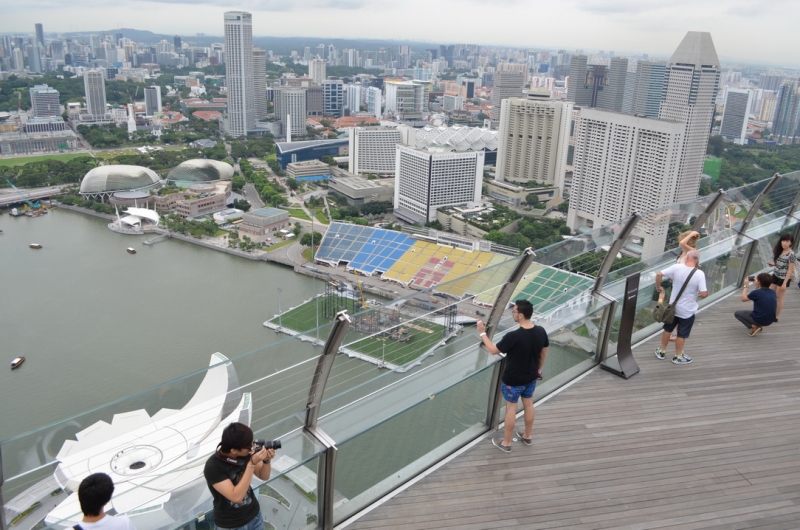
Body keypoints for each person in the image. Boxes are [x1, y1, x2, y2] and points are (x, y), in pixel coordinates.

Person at [476, 300, 549, 453]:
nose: (513, 314)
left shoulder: (513, 336)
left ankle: (507, 442)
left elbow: (493, 350)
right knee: (528, 404)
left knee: (511, 409)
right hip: (531, 377)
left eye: (514, 312)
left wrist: (482, 332)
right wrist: (538, 370)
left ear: (521, 315)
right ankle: (527, 435)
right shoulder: (541, 331)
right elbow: (543, 356)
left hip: (513, 379)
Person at [204, 423, 276, 530]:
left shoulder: (244, 455)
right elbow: (236, 497)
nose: (251, 448)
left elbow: (263, 475)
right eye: (248, 446)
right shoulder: (213, 467)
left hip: (254, 517)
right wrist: (251, 463)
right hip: (230, 525)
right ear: (233, 450)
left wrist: (266, 461)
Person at [654, 250, 708, 365]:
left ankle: (661, 351)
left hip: (672, 308)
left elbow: (659, 274)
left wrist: (658, 286)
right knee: (681, 334)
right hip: (687, 310)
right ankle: (678, 356)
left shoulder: (676, 267)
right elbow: (704, 294)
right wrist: (698, 292)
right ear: (697, 260)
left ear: (687, 257)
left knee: (668, 329)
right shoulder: (699, 274)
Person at [669, 230, 701, 342]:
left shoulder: (693, 252)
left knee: (679, 309)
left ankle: (678, 334)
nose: (680, 241)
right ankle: (677, 333)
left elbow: (682, 243)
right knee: (677, 309)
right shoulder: (683, 252)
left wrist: (691, 235)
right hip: (678, 284)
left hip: (686, 286)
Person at [767, 233, 796, 322]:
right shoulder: (780, 250)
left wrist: (784, 283)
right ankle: (770, 312)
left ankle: (775, 316)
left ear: (791, 243)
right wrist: (774, 264)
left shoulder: (791, 254)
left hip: (783, 278)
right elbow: (781, 262)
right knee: (772, 295)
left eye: (787, 241)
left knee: (779, 298)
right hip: (775, 275)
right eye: (783, 241)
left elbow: (790, 270)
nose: (785, 243)